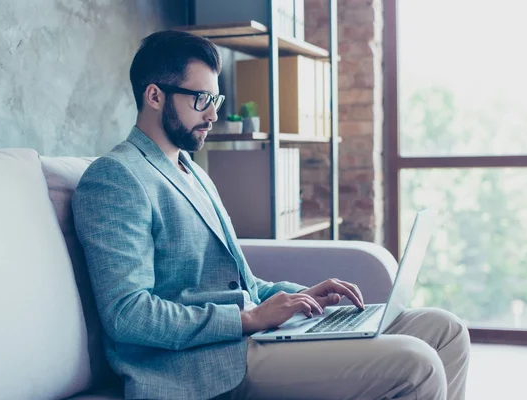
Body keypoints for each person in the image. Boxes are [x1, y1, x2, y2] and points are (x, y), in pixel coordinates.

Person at [72, 30, 470, 400]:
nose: (212, 115)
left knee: (446, 330)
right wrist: (247, 318)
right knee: (416, 365)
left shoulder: (191, 170)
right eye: (201, 100)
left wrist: (300, 295)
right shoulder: (117, 177)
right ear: (155, 96)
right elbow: (128, 315)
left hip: (253, 338)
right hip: (201, 363)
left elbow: (239, 282)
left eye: (216, 100)